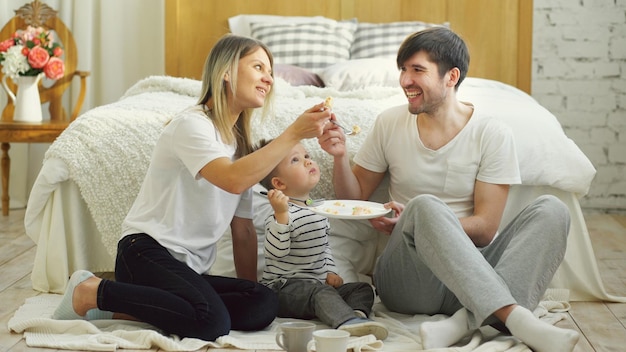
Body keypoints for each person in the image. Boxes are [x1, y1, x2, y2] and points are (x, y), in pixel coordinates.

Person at [51, 34, 333, 341]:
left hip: (187, 271)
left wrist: (248, 290)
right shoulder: (192, 125)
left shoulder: (242, 149)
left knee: (263, 304)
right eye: (258, 67)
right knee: (211, 322)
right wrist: (293, 134)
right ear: (226, 71)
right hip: (145, 253)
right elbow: (231, 178)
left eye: (270, 71)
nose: (269, 78)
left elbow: (244, 232)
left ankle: (129, 307)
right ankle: (91, 291)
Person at [318, 27, 580, 352]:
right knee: (424, 206)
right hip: (408, 279)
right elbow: (353, 199)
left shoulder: (491, 133)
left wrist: (424, 218)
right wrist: (340, 157)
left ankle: (461, 323)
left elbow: (484, 230)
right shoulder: (389, 123)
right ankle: (516, 318)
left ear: (451, 76)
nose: (404, 81)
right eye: (402, 69)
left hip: (470, 275)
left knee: (553, 210)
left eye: (417, 70)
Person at [255, 139, 388, 340]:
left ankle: (356, 315)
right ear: (279, 184)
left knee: (362, 288)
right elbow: (276, 252)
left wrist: (331, 271)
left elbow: (324, 247)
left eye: (307, 156)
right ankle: (347, 322)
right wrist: (281, 216)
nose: (308, 162)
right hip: (284, 289)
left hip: (316, 287)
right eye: (296, 160)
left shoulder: (318, 210)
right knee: (320, 293)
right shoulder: (279, 215)